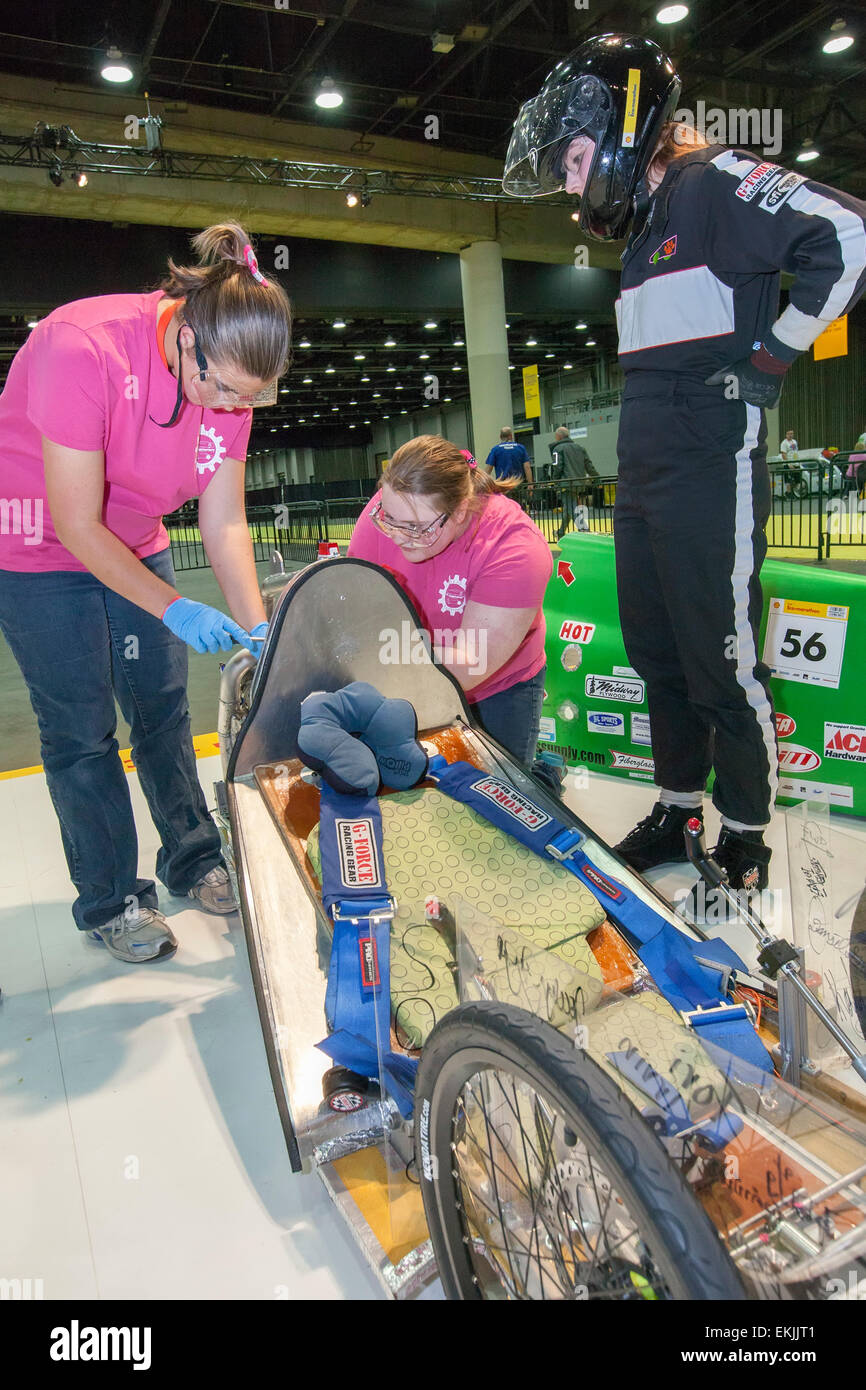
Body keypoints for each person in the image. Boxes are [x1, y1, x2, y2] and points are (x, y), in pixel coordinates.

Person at [503, 32, 866, 908]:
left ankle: (745, 833)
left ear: (622, 130)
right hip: (645, 475)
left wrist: (775, 355)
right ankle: (678, 810)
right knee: (659, 654)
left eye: (575, 158)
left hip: (713, 467)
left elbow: (847, 234)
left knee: (722, 661)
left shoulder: (714, 182)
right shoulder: (643, 233)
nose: (568, 181)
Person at [0, 222, 291, 962]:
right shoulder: (83, 346)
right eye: (220, 389)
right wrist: (173, 606)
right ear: (187, 336)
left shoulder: (232, 383)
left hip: (136, 539)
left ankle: (193, 857)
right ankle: (111, 898)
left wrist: (262, 636)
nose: (229, 409)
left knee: (161, 707)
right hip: (39, 544)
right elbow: (74, 522)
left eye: (249, 399)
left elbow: (223, 522)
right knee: (81, 728)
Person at [347, 434, 552, 763]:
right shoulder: (385, 512)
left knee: (502, 785)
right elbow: (352, 600)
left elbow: (472, 662)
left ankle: (544, 778)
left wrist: (369, 666)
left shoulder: (516, 547)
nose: (397, 535)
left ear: (459, 512)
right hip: (410, 664)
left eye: (415, 527)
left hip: (499, 686)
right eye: (389, 518)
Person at [549, 425, 599, 536]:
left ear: (558, 436)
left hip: (566, 484)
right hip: (579, 483)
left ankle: (585, 531)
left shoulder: (557, 449)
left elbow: (557, 467)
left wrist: (555, 481)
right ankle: (560, 532)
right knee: (569, 508)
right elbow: (589, 465)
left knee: (571, 508)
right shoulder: (580, 447)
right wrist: (597, 478)